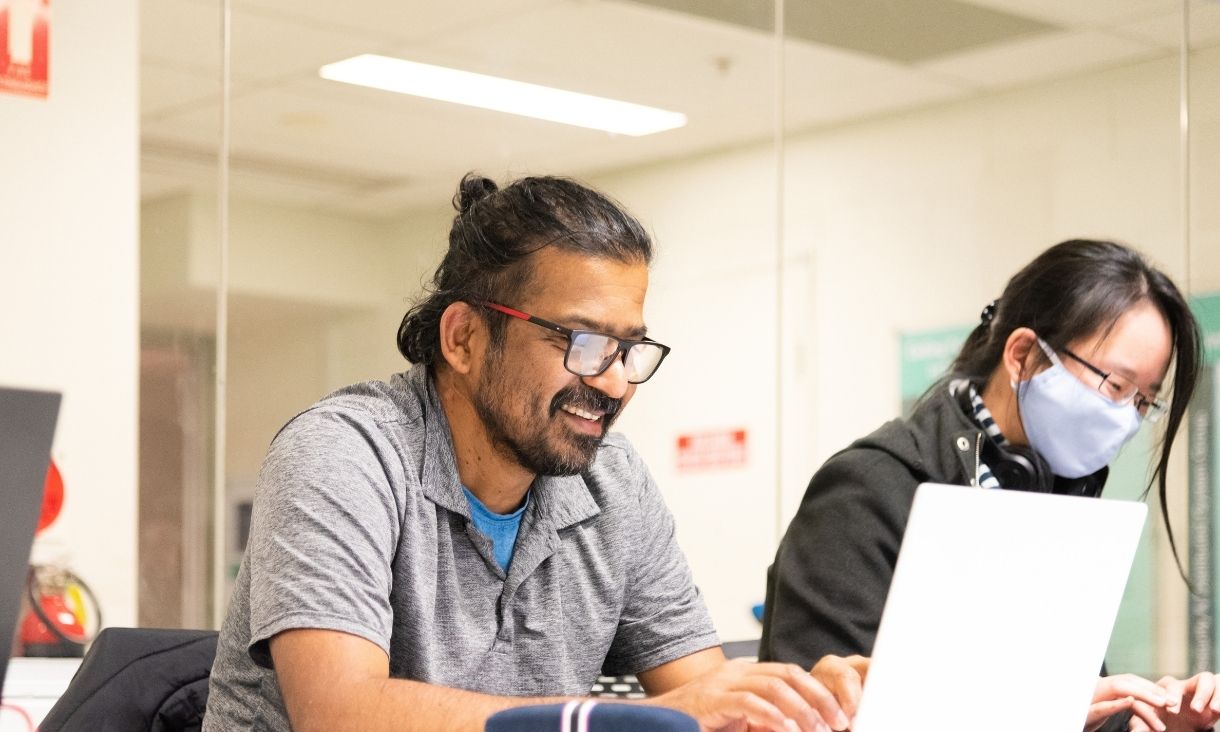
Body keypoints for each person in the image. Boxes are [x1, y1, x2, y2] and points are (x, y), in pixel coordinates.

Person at [204, 173, 863, 732]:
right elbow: (341, 714)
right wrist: (611, 719)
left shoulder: (613, 482)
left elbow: (702, 697)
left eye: (629, 347)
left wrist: (798, 702)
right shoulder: (345, 453)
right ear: (463, 338)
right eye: (579, 340)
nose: (611, 380)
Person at [760, 239, 1219, 732]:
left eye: (1143, 401)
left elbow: (1069, 709)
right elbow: (814, 712)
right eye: (1114, 385)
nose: (1125, 418)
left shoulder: (1057, 496)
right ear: (1022, 354)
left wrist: (1146, 723)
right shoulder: (868, 491)